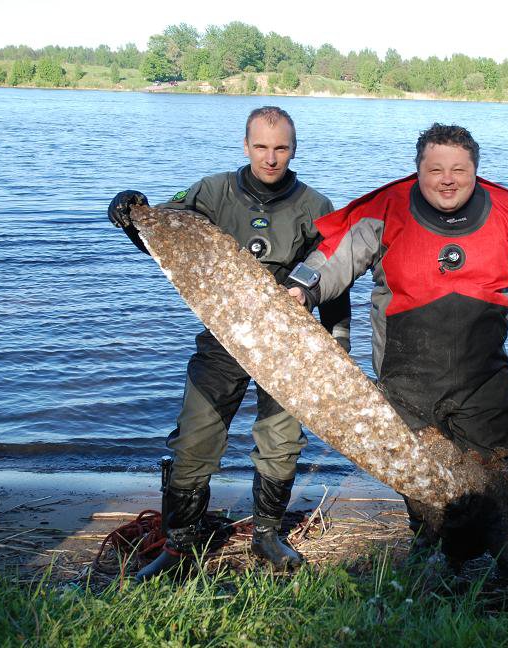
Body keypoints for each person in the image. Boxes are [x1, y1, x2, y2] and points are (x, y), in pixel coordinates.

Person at [288, 123, 508, 557]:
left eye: (459, 169)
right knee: (421, 486)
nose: (447, 179)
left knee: (503, 479)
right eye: (435, 169)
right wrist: (301, 289)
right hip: (405, 381)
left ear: (476, 170)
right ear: (418, 170)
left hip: (483, 382)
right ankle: (430, 556)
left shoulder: (506, 210)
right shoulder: (385, 208)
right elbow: (331, 258)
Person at [108, 106, 351, 578]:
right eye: (261, 147)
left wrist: (337, 346)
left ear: (293, 149)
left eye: (280, 148)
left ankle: (267, 536)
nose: (270, 158)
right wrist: (131, 214)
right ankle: (179, 546)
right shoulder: (212, 191)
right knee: (194, 439)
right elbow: (165, 237)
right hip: (223, 338)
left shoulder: (316, 206)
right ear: (246, 146)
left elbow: (336, 281)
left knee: (281, 443)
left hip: (287, 346)